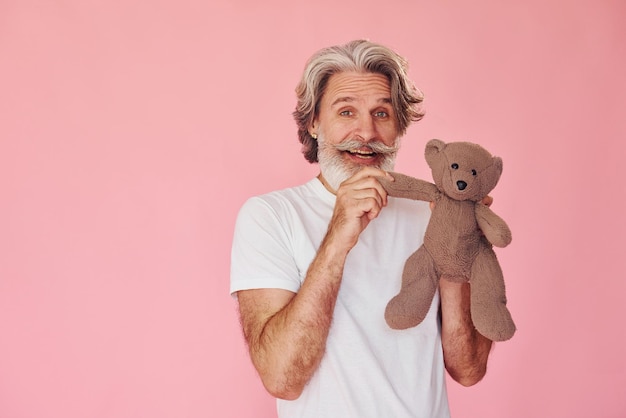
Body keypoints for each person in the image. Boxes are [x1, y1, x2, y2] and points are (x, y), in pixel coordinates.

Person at [230, 39, 493, 418]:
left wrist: (458, 252)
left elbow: (468, 369)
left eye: (382, 114)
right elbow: (282, 378)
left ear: (400, 127)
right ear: (314, 122)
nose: (366, 132)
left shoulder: (433, 212)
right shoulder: (270, 216)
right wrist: (338, 234)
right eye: (347, 111)